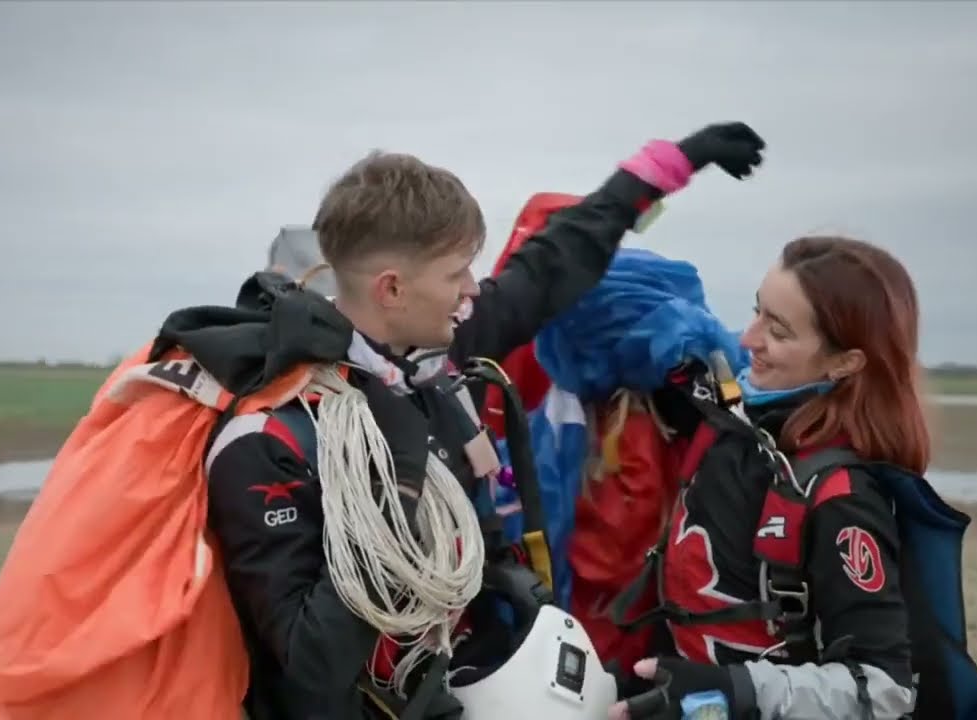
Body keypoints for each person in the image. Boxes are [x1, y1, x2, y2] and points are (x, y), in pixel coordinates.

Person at [202, 122, 767, 719]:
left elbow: (553, 266)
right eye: (456, 275)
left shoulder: (430, 361)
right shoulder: (271, 438)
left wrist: (668, 165)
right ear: (392, 289)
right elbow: (313, 671)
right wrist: (397, 483)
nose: (473, 290)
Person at [606, 236, 977, 719]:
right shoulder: (732, 423)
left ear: (845, 362)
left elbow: (882, 690)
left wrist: (732, 692)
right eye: (757, 312)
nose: (748, 340)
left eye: (779, 330)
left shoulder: (841, 498)